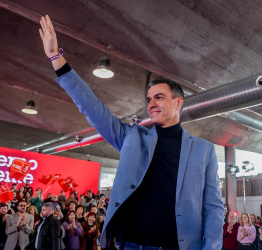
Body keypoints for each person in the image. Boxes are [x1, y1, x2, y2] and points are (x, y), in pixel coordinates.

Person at [38, 15, 224, 249]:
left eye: (159, 97)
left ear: (178, 102)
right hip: (131, 244)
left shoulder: (204, 150)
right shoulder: (134, 138)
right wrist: (56, 57)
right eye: (148, 99)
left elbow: (214, 207)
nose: (151, 103)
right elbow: (93, 108)